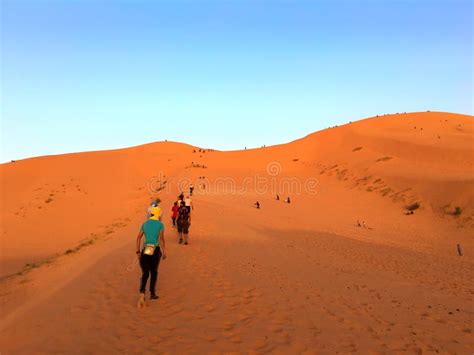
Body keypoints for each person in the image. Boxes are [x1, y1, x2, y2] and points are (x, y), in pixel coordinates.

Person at [136, 206, 166, 301]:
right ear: (159, 214)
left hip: (146, 249)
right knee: (154, 272)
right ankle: (152, 293)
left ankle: (142, 292)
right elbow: (161, 239)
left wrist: (138, 251)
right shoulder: (160, 224)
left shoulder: (145, 224)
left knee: (145, 273)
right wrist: (164, 251)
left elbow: (138, 238)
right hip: (155, 249)